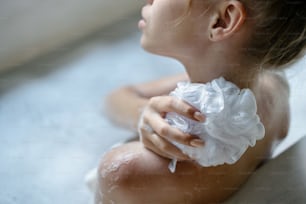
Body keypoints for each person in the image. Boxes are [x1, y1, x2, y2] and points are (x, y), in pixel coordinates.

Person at [95, 0, 306, 203]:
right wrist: (143, 113)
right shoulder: (274, 88)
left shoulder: (124, 173)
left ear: (222, 21)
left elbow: (111, 102)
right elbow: (115, 99)